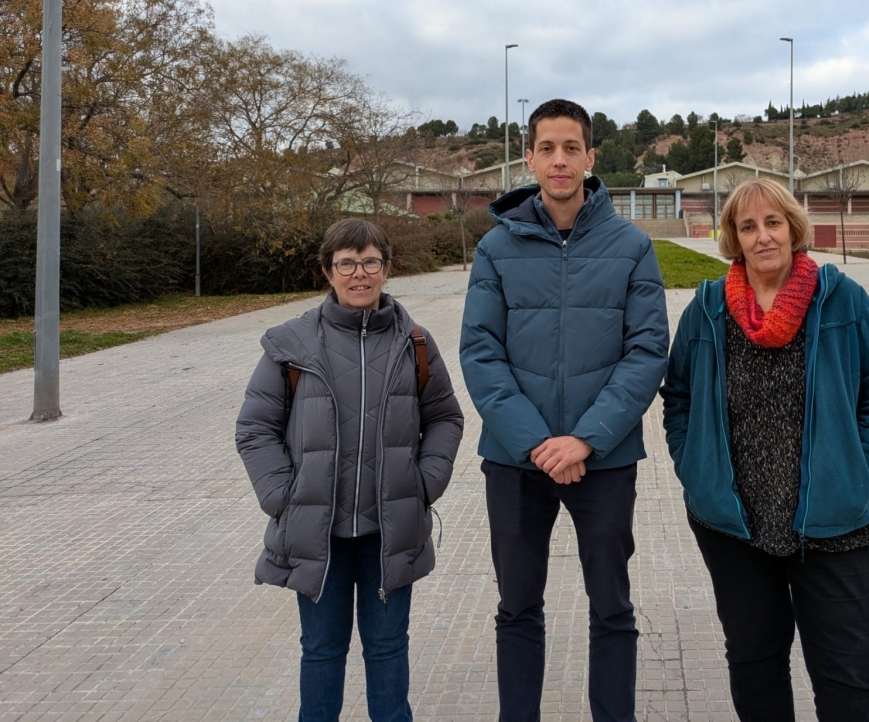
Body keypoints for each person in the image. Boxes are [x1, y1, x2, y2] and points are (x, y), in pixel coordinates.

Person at [660, 178, 869, 722]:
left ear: (793, 228)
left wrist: (857, 472)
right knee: (755, 665)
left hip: (835, 524)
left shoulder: (842, 298)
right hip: (735, 525)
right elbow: (677, 396)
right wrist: (694, 469)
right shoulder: (706, 311)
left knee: (848, 676)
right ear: (732, 238)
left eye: (773, 222)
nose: (762, 236)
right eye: (748, 226)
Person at [459, 98, 669, 722]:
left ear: (590, 157)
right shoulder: (496, 249)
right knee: (518, 606)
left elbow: (646, 351)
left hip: (602, 461)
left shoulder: (632, 245)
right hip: (515, 461)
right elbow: (480, 353)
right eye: (546, 148)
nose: (558, 160)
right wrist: (535, 443)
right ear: (528, 158)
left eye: (570, 148)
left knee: (611, 606)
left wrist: (584, 440)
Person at [235, 218, 464, 722]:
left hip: (389, 531)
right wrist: (283, 497)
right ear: (327, 270)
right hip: (320, 535)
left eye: (369, 262)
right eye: (346, 263)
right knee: (321, 651)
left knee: (387, 650)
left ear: (386, 267)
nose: (358, 274)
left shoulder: (416, 343)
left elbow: (445, 416)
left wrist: (424, 484)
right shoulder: (290, 345)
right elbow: (255, 429)